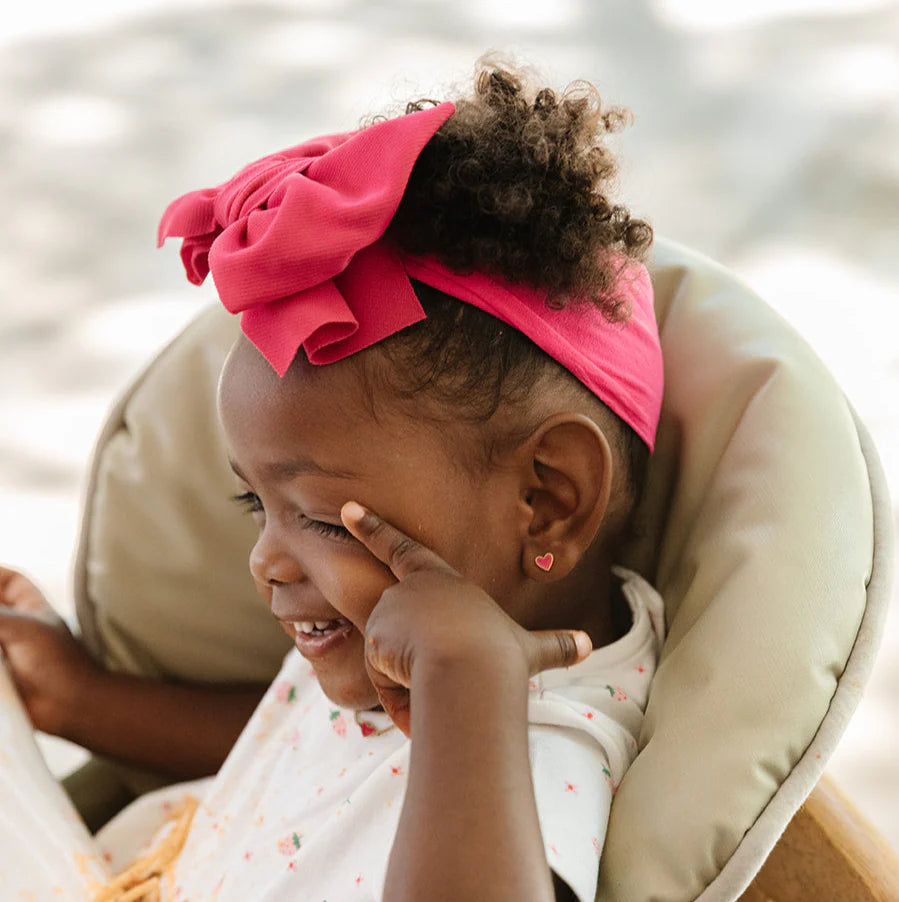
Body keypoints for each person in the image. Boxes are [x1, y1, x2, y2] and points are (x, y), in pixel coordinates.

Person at [0, 64, 665, 901]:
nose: (266, 562)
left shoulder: (533, 752)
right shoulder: (398, 625)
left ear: (546, 499)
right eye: (256, 505)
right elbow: (307, 757)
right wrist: (87, 701)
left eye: (315, 516)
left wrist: (467, 687)